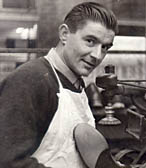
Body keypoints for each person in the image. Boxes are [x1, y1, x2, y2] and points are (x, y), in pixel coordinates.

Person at [0, 2, 125, 168]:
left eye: (105, 47)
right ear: (64, 34)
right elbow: (9, 162)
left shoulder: (77, 84)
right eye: (90, 41)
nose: (97, 55)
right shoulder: (31, 81)